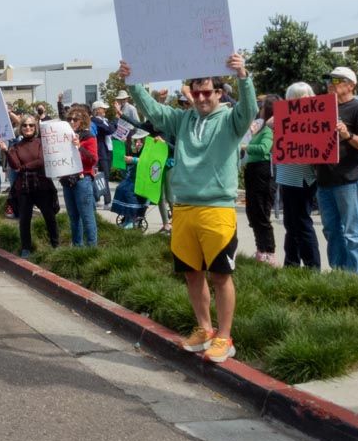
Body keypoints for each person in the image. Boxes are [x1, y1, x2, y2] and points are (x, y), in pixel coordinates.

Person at [120, 53, 257, 364]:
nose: (201, 97)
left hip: (217, 209)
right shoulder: (183, 120)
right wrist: (133, 83)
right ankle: (205, 329)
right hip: (184, 209)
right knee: (192, 274)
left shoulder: (231, 120)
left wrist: (243, 76)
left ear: (220, 93)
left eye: (207, 92)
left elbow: (250, 109)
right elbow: (153, 110)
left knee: (221, 276)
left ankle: (225, 336)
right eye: (196, 92)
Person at [316, 67, 358, 275]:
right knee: (331, 230)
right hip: (324, 180)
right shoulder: (320, 108)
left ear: (351, 85)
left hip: (349, 179)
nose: (330, 84)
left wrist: (347, 135)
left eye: (336, 80)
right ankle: (339, 273)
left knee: (352, 230)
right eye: (329, 80)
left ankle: (355, 277)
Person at [0, 114, 60, 257]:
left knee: (49, 216)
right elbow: (14, 165)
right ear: (21, 128)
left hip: (42, 185)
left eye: (31, 125)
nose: (28, 127)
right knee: (24, 219)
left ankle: (56, 245)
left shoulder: (41, 143)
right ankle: (26, 248)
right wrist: (6, 151)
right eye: (25, 125)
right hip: (24, 187)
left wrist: (23, 167)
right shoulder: (15, 147)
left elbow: (42, 161)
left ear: (35, 127)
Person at [276, 83, 321, 269]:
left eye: (302, 96)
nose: (298, 101)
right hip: (287, 176)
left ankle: (312, 267)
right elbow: (271, 124)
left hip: (303, 177)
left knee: (302, 222)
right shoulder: (284, 117)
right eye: (294, 97)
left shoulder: (315, 117)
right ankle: (292, 263)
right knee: (290, 223)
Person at [244, 94, 278, 265]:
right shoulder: (261, 127)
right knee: (253, 212)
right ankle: (260, 249)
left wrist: (246, 146)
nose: (260, 108)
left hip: (262, 172)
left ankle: (269, 251)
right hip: (252, 171)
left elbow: (264, 148)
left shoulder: (270, 129)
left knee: (262, 213)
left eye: (262, 105)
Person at [59, 105, 99, 247]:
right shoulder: (63, 137)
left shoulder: (89, 137)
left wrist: (79, 147)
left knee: (87, 217)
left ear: (83, 121)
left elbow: (93, 159)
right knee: (73, 217)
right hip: (67, 181)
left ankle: (92, 249)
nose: (71, 122)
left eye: (75, 119)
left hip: (82, 181)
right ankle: (77, 248)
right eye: (69, 119)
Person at [110, 129, 150, 229]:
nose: (138, 142)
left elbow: (148, 161)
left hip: (142, 180)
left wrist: (133, 159)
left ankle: (131, 219)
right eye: (137, 140)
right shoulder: (137, 148)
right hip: (133, 177)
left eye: (140, 140)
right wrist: (123, 145)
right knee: (120, 188)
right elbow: (129, 155)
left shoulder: (150, 149)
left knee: (128, 192)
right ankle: (127, 216)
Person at [91, 100, 117, 209]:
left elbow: (111, 128)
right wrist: (116, 119)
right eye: (103, 108)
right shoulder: (95, 120)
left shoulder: (104, 120)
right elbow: (109, 130)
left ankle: (97, 199)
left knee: (102, 176)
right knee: (104, 176)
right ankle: (107, 202)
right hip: (101, 152)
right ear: (97, 110)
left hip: (107, 150)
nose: (105, 110)